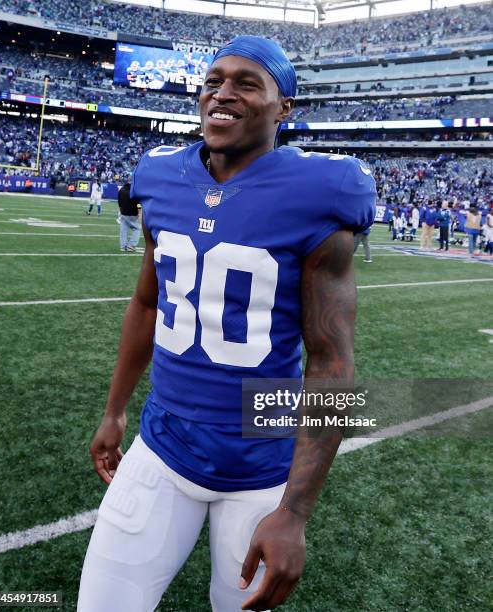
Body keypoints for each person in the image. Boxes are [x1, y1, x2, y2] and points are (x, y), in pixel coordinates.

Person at [78, 35, 376, 612]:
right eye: (214, 81)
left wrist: (293, 512)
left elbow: (333, 362)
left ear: (283, 107)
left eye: (247, 83)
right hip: (161, 446)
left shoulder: (320, 192)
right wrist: (115, 411)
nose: (223, 93)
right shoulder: (161, 177)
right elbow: (145, 303)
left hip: (261, 462)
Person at [117, 180, 141, 252]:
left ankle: (123, 246)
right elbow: (138, 203)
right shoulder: (135, 190)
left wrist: (121, 210)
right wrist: (139, 213)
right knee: (137, 229)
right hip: (132, 213)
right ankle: (131, 245)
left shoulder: (121, 189)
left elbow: (119, 202)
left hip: (123, 212)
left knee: (123, 230)